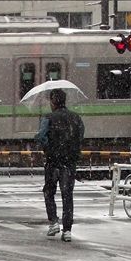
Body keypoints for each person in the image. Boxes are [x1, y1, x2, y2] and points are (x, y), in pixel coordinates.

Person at [36, 88, 85, 242]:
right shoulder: (76, 118)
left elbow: (41, 136)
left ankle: (54, 222)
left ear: (52, 101)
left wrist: (47, 146)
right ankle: (67, 230)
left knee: (49, 192)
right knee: (67, 195)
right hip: (69, 163)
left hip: (53, 161)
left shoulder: (48, 118)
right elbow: (80, 136)